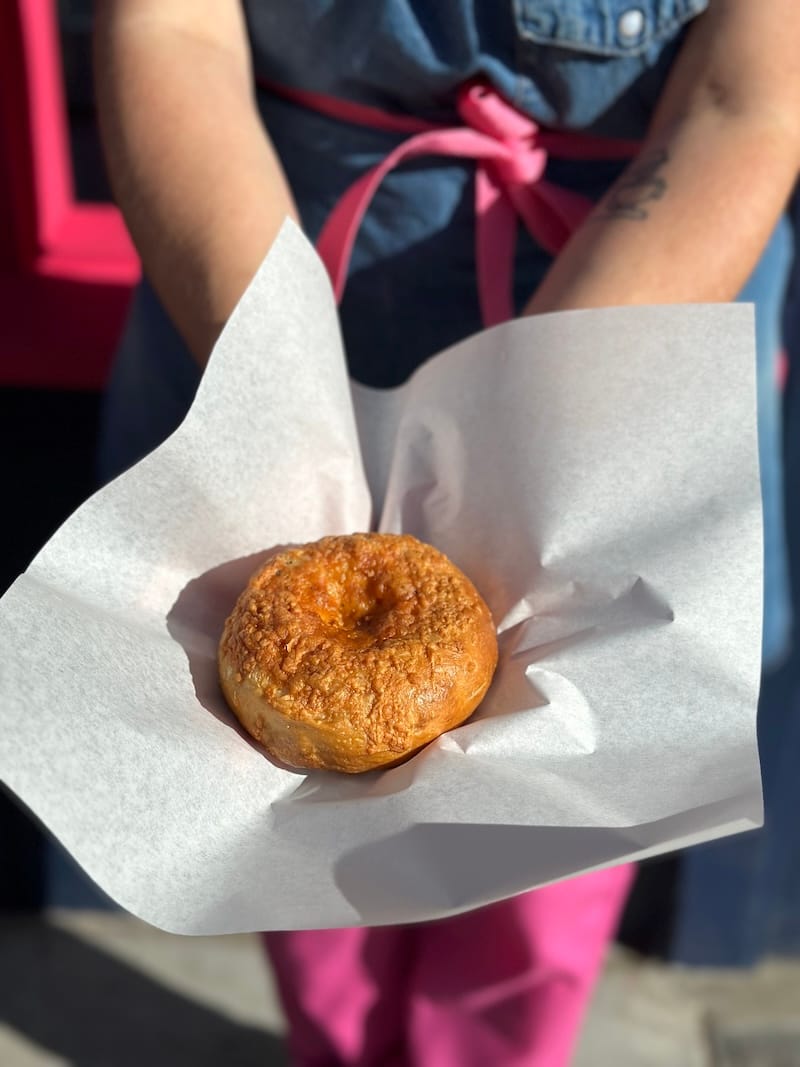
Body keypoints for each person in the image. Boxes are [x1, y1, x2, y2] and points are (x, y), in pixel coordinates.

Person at [92, 2, 800, 1064]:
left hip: (636, 316)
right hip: (269, 286)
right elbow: (168, 30)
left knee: (557, 799)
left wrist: (532, 430)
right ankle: (336, 1044)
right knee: (294, 810)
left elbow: (742, 98)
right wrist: (276, 397)